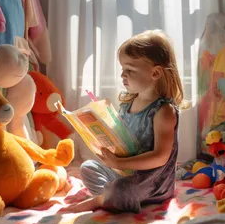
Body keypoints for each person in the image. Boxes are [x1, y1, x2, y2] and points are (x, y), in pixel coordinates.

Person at [67, 30, 187, 213]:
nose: (123, 75)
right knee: (87, 168)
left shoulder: (163, 111)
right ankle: (109, 196)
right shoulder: (129, 102)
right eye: (123, 69)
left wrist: (120, 164)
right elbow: (122, 136)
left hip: (152, 182)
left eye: (130, 70)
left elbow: (160, 157)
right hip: (126, 171)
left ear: (155, 73)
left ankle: (104, 199)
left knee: (122, 189)